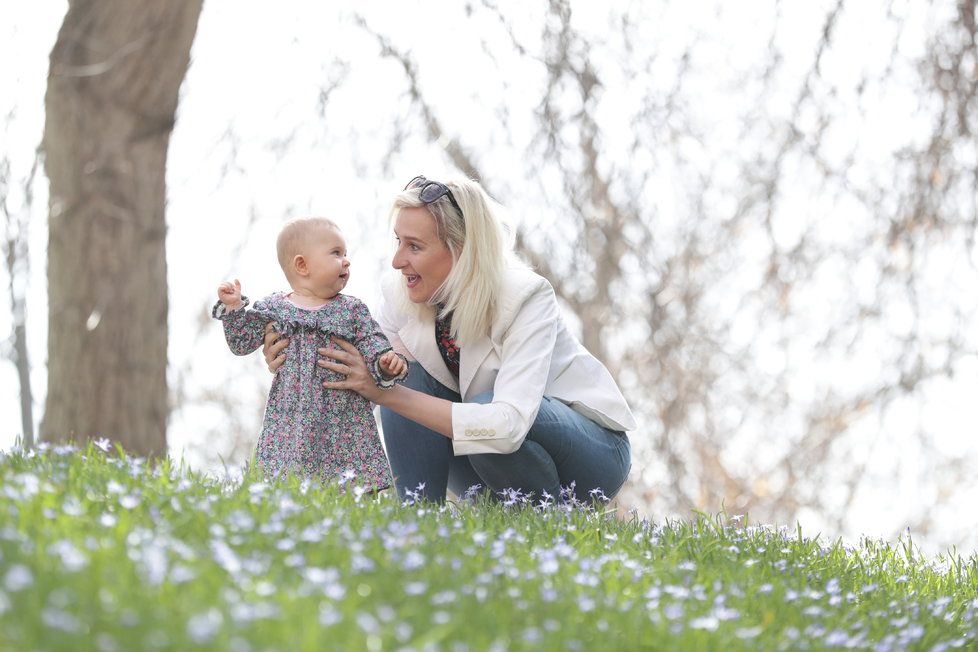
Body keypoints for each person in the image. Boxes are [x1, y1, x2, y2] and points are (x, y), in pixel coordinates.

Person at [263, 178, 634, 503]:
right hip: (488, 459)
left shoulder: (525, 297)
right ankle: (417, 522)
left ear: (460, 249)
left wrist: (386, 394)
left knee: (485, 417)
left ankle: (550, 524)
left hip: (591, 456)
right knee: (396, 371)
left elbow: (506, 426)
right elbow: (362, 377)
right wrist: (296, 354)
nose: (396, 260)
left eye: (414, 246)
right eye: (398, 242)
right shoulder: (398, 294)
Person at [214, 216, 407, 490]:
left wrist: (385, 362)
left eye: (346, 253)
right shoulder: (274, 309)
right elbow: (242, 343)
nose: (346, 260)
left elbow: (372, 339)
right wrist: (234, 310)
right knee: (288, 484)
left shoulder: (352, 310)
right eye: (336, 253)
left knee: (348, 484)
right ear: (302, 265)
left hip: (343, 417)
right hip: (291, 417)